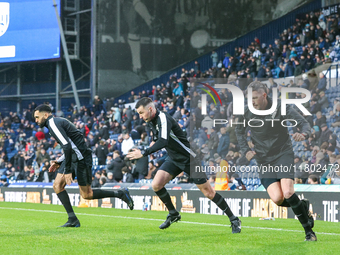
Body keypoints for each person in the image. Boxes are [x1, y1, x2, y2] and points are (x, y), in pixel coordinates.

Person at [127, 97, 241, 233]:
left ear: (150, 109)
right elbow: (158, 140)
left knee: (209, 193)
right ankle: (173, 213)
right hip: (173, 159)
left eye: (141, 112)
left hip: (188, 159)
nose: (140, 116)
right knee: (156, 184)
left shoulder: (163, 118)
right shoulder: (150, 121)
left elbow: (163, 141)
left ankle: (234, 219)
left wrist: (144, 153)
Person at [235, 81, 316, 241]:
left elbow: (304, 123)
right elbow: (239, 131)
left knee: (288, 192)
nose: (252, 103)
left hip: (282, 153)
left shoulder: (280, 107)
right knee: (278, 199)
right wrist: (246, 151)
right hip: (263, 160)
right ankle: (303, 206)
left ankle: (309, 232)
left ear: (264, 96)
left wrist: (304, 134)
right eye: (249, 99)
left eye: (255, 98)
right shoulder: (247, 112)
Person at [33, 104, 134, 228]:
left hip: (82, 158)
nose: (36, 120)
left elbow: (68, 146)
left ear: (46, 115)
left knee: (87, 194)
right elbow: (71, 145)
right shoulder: (55, 123)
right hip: (75, 155)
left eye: (37, 117)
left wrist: (68, 170)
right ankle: (72, 219)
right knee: (57, 185)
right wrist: (60, 161)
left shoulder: (53, 122)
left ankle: (120, 193)